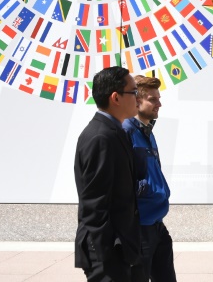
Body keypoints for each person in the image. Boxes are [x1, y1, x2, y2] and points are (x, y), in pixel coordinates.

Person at [74, 66, 145, 282]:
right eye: (134, 92)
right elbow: (94, 204)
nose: (138, 98)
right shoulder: (100, 138)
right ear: (116, 97)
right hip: (106, 254)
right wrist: (105, 258)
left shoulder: (115, 132)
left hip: (120, 248)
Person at [123, 75, 177, 282]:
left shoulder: (147, 131)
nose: (159, 104)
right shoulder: (126, 131)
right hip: (140, 227)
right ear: (137, 100)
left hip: (157, 224)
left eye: (159, 98)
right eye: (153, 99)